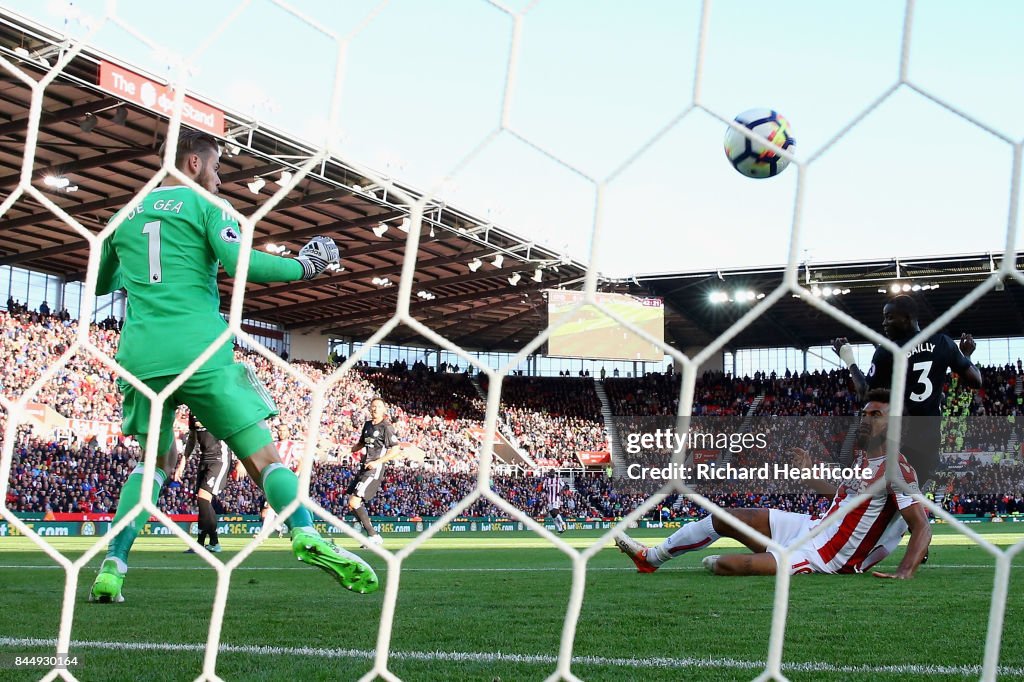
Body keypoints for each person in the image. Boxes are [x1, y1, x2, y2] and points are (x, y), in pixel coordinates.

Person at [89, 129, 378, 602]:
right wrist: (305, 266)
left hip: (140, 356)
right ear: (195, 164)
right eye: (219, 167)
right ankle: (304, 532)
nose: (221, 180)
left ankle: (113, 566)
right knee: (264, 459)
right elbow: (244, 264)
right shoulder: (207, 208)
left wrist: (140, 266)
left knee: (155, 463)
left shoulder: (125, 214)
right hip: (199, 350)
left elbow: (102, 282)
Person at [615, 389, 931, 578]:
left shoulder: (897, 470)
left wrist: (905, 571)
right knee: (733, 516)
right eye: (864, 414)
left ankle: (768, 557)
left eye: (875, 415)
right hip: (814, 528)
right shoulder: (863, 462)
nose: (865, 419)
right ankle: (650, 559)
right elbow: (843, 500)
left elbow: (921, 526)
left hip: (827, 557)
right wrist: (809, 475)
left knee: (727, 566)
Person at [832, 294, 982, 487]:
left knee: (884, 502)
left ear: (907, 318)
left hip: (898, 440)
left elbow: (865, 393)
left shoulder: (888, 351)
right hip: (929, 442)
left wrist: (849, 360)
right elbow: (976, 381)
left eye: (889, 317)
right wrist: (966, 355)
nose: (884, 323)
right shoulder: (943, 343)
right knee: (910, 499)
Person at [346, 397, 408, 547]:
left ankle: (373, 536)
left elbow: (395, 449)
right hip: (364, 467)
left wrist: (377, 462)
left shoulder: (386, 426)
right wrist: (349, 450)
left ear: (384, 410)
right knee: (351, 504)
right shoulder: (367, 425)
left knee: (354, 502)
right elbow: (361, 443)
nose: (375, 409)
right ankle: (372, 535)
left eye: (378, 407)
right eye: (373, 406)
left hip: (375, 469)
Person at [175, 412, 231, 553]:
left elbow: (234, 433)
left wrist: (243, 460)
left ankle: (212, 542)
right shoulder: (193, 413)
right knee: (202, 502)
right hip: (204, 460)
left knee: (203, 499)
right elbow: (192, 439)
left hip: (219, 459)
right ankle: (205, 543)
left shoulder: (215, 407)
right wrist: (182, 463)